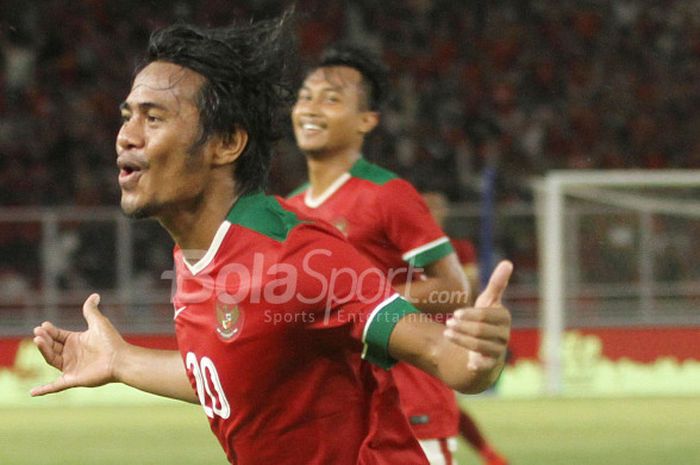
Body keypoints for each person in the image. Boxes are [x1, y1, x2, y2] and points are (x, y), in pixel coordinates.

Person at [30, 15, 513, 465]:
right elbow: (235, 374)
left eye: (153, 118)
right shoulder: (193, 249)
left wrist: (478, 357)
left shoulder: (299, 256)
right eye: (127, 115)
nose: (125, 136)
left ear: (226, 143)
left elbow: (443, 355)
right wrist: (120, 360)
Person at [286, 43, 491, 465]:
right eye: (305, 96)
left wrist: (359, 308)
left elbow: (453, 288)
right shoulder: (287, 209)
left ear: (367, 120)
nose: (311, 108)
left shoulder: (387, 195)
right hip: (332, 417)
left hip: (409, 407)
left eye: (331, 99)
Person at [423, 191, 509, 465]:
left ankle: (487, 452)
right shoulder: (399, 248)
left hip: (448, 333)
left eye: (437, 206)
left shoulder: (458, 248)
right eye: (426, 207)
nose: (432, 212)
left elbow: (467, 290)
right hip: (411, 333)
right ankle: (488, 453)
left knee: (443, 402)